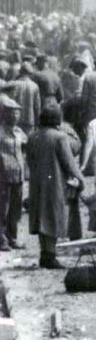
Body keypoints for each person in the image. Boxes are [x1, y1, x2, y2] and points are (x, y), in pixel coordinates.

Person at [27, 104, 86, 268]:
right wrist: (80, 179)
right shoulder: (60, 137)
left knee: (41, 217)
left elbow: (29, 160)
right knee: (52, 216)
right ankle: (50, 256)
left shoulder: (32, 137)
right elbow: (69, 163)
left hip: (37, 181)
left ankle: (44, 254)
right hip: (55, 182)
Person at [0, 95, 27, 251]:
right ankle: (1, 239)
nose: (15, 116)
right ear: (4, 114)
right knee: (2, 208)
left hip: (18, 174)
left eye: (17, 113)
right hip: (3, 175)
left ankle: (12, 237)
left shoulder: (19, 131)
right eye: (12, 113)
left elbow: (26, 145)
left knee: (16, 210)